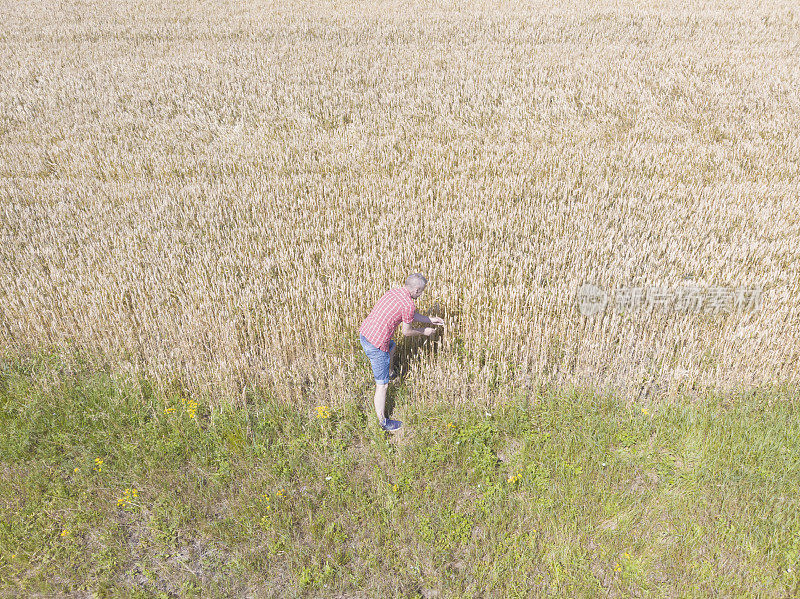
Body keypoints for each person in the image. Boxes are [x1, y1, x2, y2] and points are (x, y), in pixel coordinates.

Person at [359, 273, 444, 431]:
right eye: (422, 291)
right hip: (376, 344)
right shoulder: (409, 304)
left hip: (365, 333)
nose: (422, 294)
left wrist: (430, 319)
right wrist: (424, 331)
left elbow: (409, 315)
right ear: (417, 290)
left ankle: (391, 372)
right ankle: (383, 423)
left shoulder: (395, 292)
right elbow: (407, 331)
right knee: (382, 385)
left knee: (392, 346)